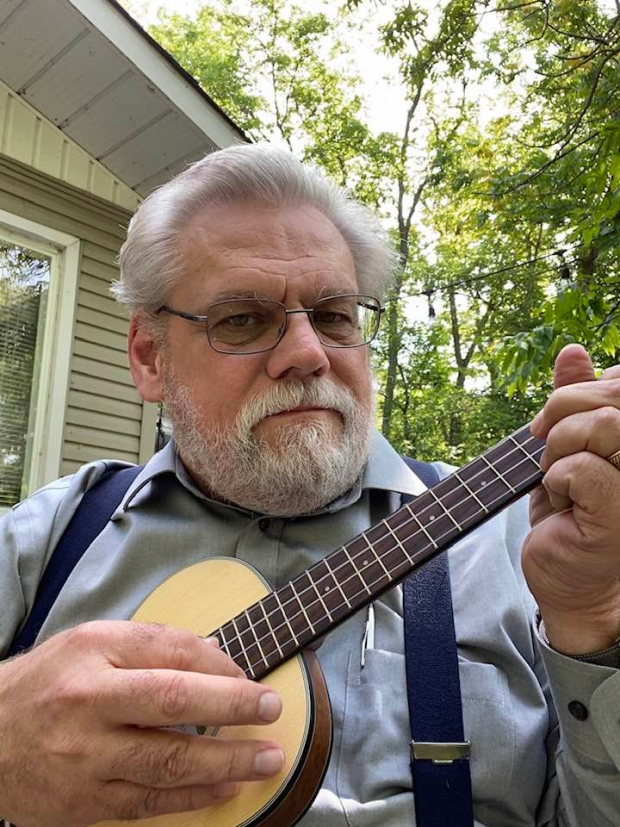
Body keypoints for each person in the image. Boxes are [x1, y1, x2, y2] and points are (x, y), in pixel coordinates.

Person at [0, 144, 619, 827]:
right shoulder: (49, 540)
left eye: (333, 315)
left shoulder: (528, 542)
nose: (307, 353)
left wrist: (593, 622)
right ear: (150, 357)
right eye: (243, 319)